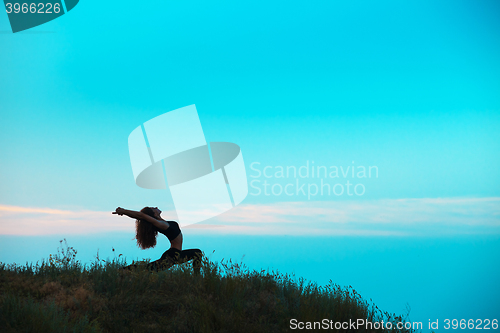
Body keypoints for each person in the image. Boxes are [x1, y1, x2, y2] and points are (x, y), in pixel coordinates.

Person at [112, 206, 202, 274]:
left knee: (149, 268)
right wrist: (124, 211)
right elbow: (141, 216)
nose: (155, 207)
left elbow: (142, 217)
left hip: (173, 254)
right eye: (153, 208)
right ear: (154, 214)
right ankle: (121, 271)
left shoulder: (162, 222)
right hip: (173, 254)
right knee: (197, 253)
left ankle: (121, 271)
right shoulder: (161, 224)